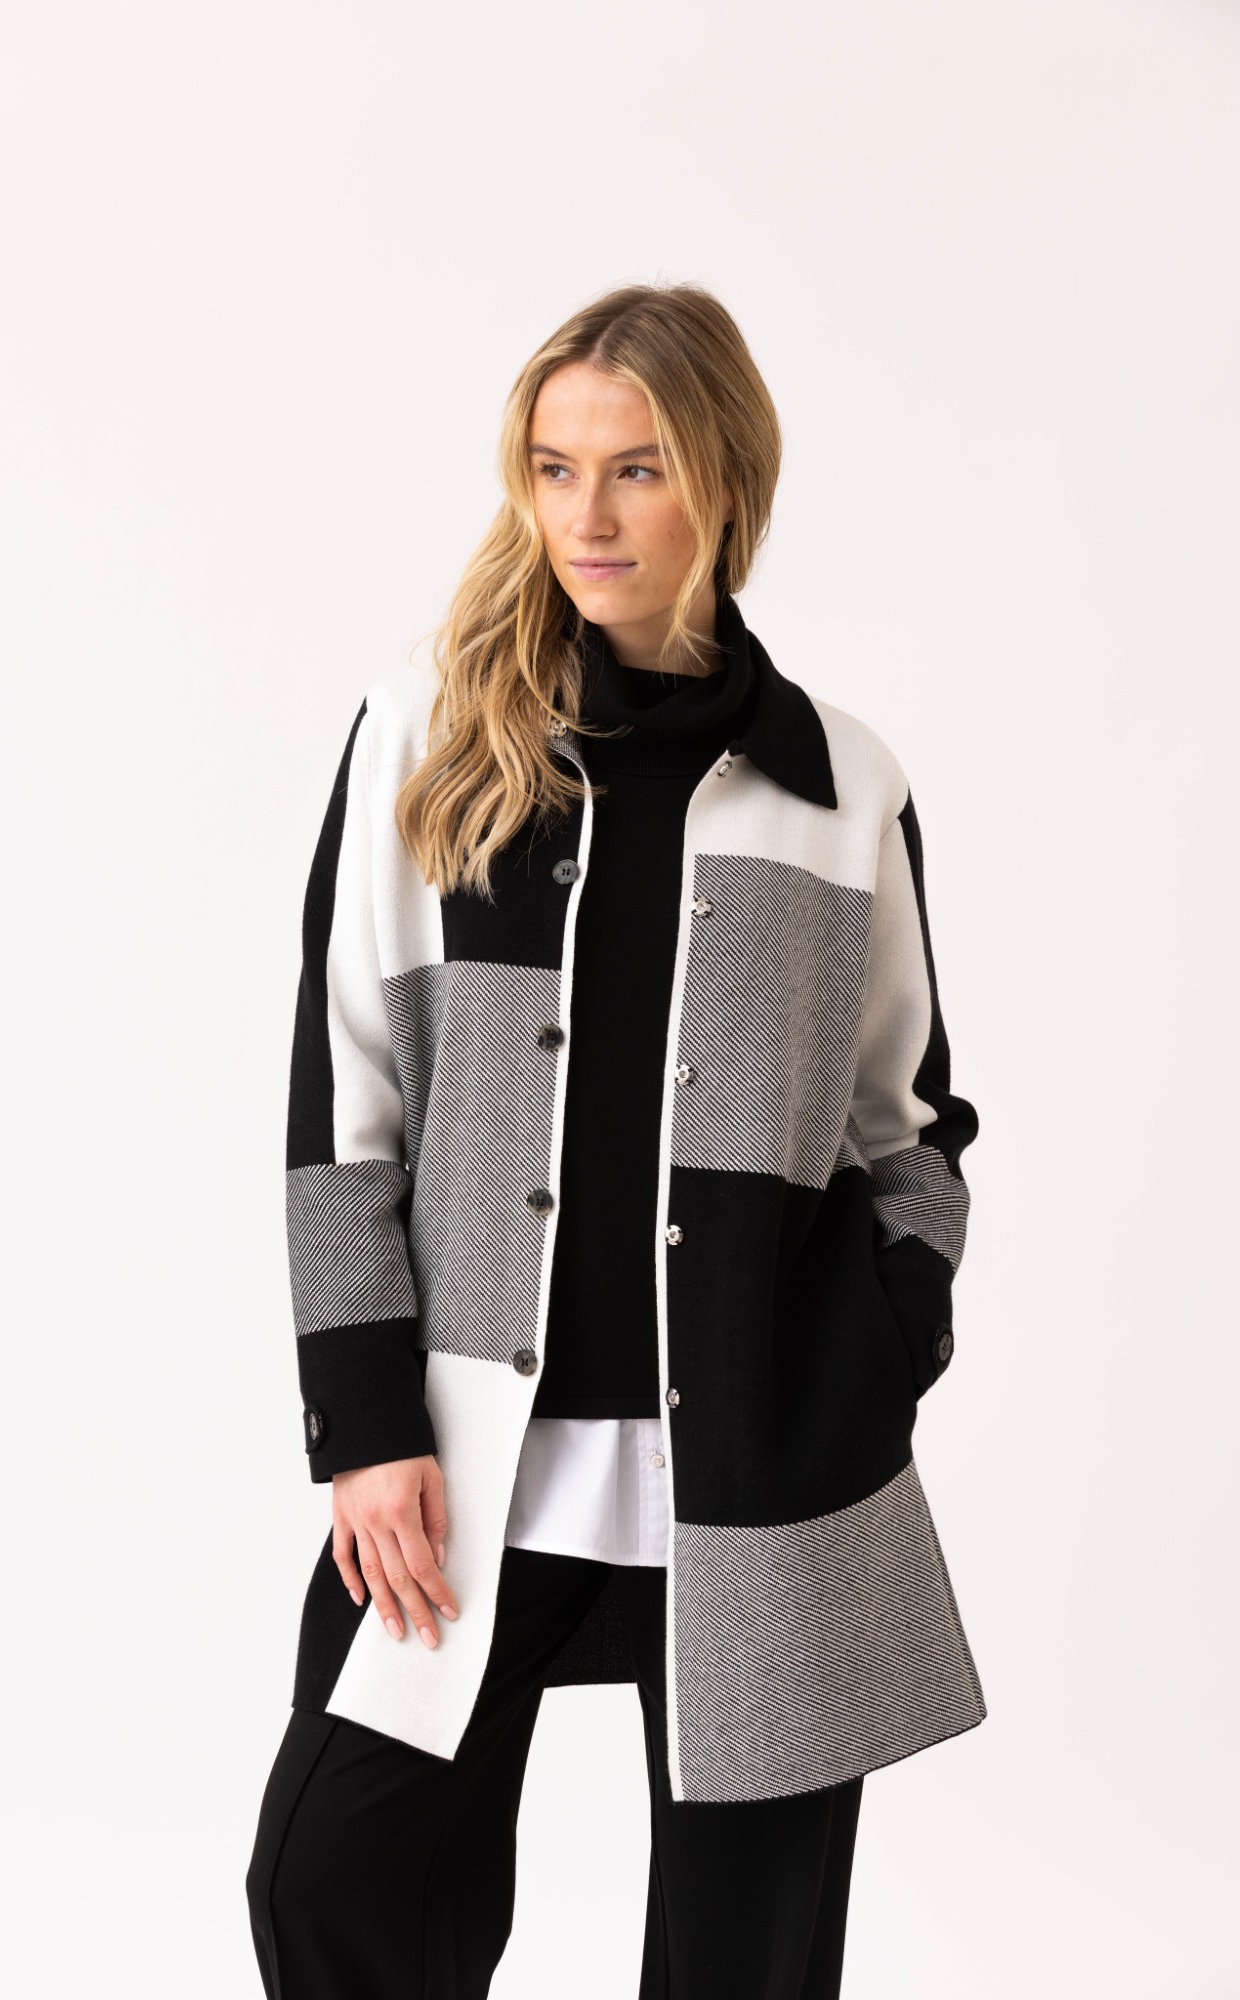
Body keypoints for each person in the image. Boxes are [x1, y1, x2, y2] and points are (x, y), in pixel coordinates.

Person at [246, 281, 986, 1999]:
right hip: (465, 1459)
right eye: (553, 466)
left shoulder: (837, 786)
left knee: (746, 1965)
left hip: (758, 1470)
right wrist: (364, 1420)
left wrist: (873, 1355)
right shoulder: (431, 735)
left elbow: (907, 1127)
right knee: (332, 1880)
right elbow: (343, 1106)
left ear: (723, 480)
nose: (586, 514)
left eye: (636, 468)